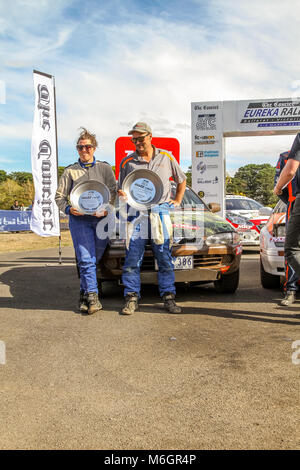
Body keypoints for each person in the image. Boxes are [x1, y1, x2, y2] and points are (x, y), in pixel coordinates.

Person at [117, 121, 186, 315]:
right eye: (134, 139)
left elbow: (181, 179)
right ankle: (131, 297)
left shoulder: (166, 157)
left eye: (140, 138)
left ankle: (168, 297)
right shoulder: (127, 162)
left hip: (160, 211)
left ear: (150, 137)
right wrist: (122, 195)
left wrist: (178, 199)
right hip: (135, 213)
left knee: (164, 255)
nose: (137, 142)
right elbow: (121, 188)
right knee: (132, 258)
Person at [55, 128, 117, 315]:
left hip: (101, 221)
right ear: (77, 149)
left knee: (92, 259)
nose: (84, 150)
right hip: (79, 221)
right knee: (85, 259)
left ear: (94, 148)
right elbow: (59, 197)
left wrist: (107, 207)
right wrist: (68, 209)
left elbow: (113, 192)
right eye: (80, 147)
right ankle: (93, 297)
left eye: (88, 147)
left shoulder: (105, 168)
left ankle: (83, 293)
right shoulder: (70, 171)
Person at [274, 132, 300, 308]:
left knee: (291, 248)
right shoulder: (284, 157)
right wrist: (290, 201)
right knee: (293, 250)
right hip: (293, 204)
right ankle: (291, 289)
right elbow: (280, 180)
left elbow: (287, 175)